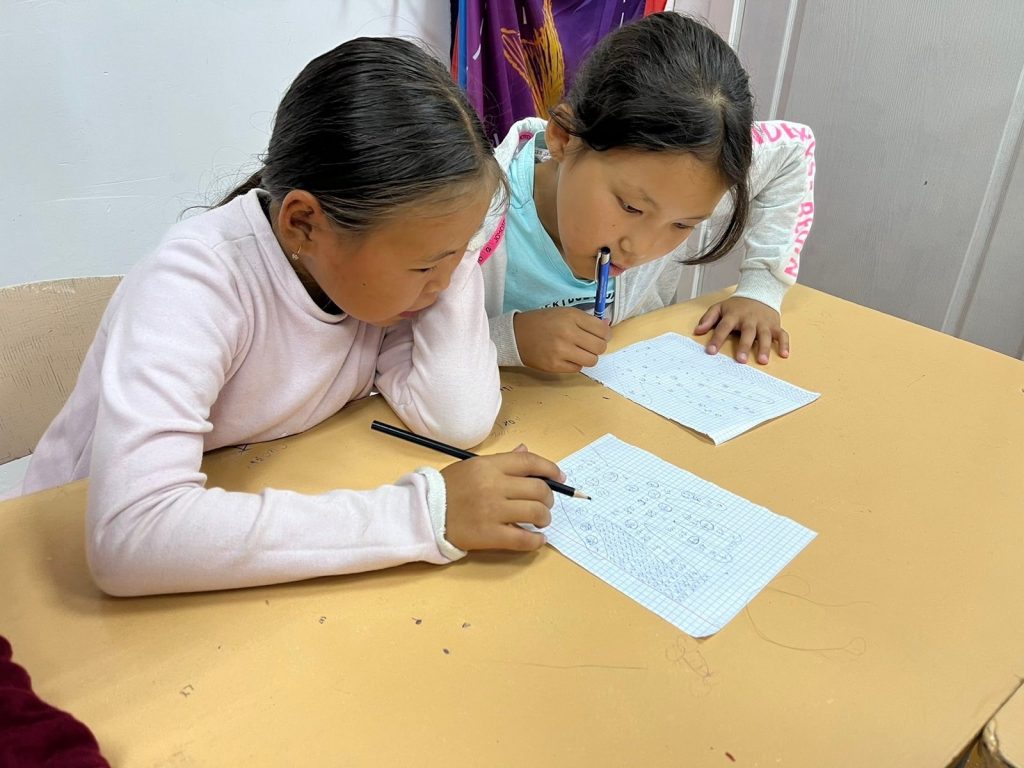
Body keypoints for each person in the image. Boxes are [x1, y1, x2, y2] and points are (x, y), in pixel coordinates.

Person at [19, 37, 563, 597]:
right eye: (428, 264)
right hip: (61, 562)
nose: (444, 285)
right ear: (302, 223)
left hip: (239, 525)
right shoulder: (195, 284)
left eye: (458, 257)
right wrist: (425, 515)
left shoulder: (374, 284)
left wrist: (456, 249)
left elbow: (458, 417)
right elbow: (132, 536)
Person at [477, 12, 816, 372]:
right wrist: (506, 340)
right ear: (564, 138)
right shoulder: (474, 219)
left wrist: (761, 290)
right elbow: (427, 339)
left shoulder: (695, 176)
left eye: (682, 225)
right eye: (631, 208)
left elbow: (794, 152)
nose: (641, 248)